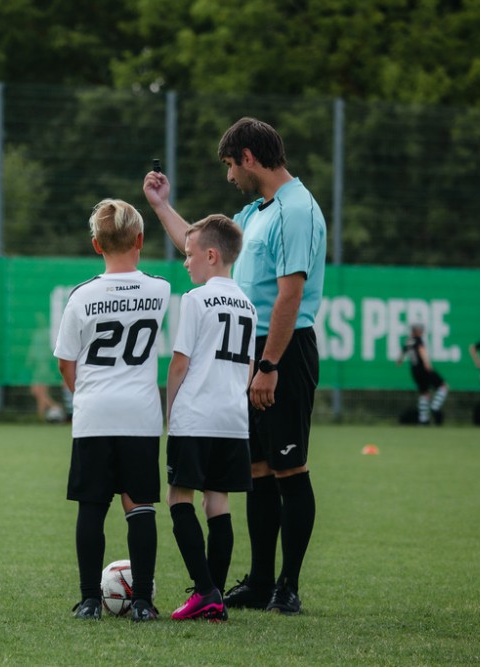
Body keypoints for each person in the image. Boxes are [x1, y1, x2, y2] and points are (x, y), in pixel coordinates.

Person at [144, 117, 326, 615]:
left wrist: (268, 365)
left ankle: (288, 585)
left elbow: (290, 295)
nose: (229, 176)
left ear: (248, 157)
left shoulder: (296, 210)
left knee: (290, 466)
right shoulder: (255, 212)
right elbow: (202, 247)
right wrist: (160, 206)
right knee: (259, 469)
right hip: (251, 350)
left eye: (230, 164)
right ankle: (262, 581)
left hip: (281, 350)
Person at [53, 198, 171, 622]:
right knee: (140, 508)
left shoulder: (81, 296)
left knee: (92, 507)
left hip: (94, 415)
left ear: (95, 245)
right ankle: (142, 603)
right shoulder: (160, 289)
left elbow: (65, 363)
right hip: (140, 415)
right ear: (140, 239)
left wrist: (85, 394)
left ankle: (89, 601)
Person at [165, 215, 257, 621]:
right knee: (217, 501)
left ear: (212, 255)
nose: (186, 262)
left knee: (178, 498)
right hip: (233, 420)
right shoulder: (248, 305)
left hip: (196, 415)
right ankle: (214, 597)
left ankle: (205, 591)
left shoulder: (196, 299)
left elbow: (179, 363)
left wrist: (170, 412)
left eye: (190, 254)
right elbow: (249, 368)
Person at [397, 323, 448, 425]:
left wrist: (399, 361)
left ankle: (423, 419)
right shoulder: (418, 340)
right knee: (443, 386)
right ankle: (435, 406)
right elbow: (422, 351)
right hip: (423, 369)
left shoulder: (408, 341)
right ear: (418, 331)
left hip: (414, 371)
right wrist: (427, 364)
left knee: (424, 393)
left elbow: (400, 358)